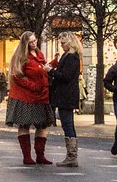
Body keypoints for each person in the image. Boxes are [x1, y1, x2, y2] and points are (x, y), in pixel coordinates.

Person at [4, 31, 51, 165]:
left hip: (41, 96)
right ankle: (27, 156)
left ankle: (40, 155)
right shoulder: (20, 56)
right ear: (25, 43)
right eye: (31, 42)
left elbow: (41, 70)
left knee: (42, 125)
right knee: (24, 125)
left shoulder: (39, 54)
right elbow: (16, 76)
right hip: (24, 96)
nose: (34, 43)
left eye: (35, 40)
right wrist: (33, 85)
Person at [48, 31, 82, 167]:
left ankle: (72, 156)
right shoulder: (68, 56)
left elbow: (65, 76)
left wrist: (51, 71)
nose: (61, 45)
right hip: (65, 94)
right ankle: (71, 156)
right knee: (67, 123)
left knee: (67, 124)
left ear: (70, 43)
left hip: (66, 95)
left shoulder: (72, 57)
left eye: (63, 43)